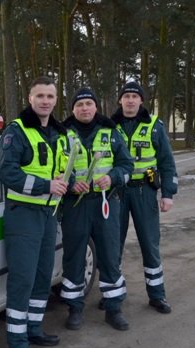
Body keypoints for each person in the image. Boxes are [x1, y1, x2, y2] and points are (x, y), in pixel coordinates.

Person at [0, 76, 69, 348]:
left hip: (48, 215)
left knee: (42, 276)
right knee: (22, 279)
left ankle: (34, 329)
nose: (45, 101)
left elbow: (60, 169)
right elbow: (6, 172)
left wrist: (66, 181)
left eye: (50, 96)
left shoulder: (59, 133)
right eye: (40, 96)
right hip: (23, 215)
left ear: (56, 100)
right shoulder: (17, 131)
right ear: (30, 98)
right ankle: (17, 345)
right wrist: (45, 185)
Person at [59, 87, 134, 331]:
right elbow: (54, 169)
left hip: (105, 202)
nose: (84, 108)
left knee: (110, 255)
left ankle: (114, 309)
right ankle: (75, 309)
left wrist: (112, 178)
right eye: (79, 104)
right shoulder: (62, 134)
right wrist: (71, 183)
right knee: (74, 256)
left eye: (88, 104)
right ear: (73, 109)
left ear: (96, 107)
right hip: (75, 204)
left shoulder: (110, 132)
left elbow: (127, 165)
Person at [111, 81, 178, 314]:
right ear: (120, 100)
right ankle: (113, 295)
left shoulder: (154, 126)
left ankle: (157, 295)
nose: (130, 100)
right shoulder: (109, 126)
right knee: (113, 245)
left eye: (134, 96)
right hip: (116, 193)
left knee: (150, 244)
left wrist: (168, 194)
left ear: (141, 100)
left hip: (144, 192)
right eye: (126, 96)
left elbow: (167, 162)